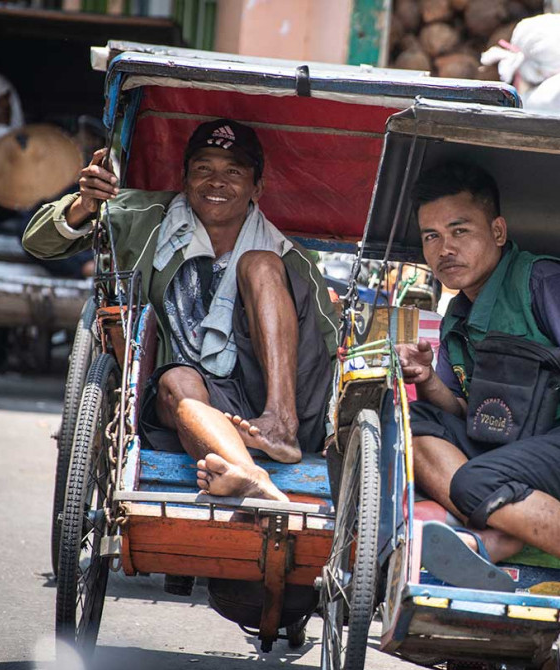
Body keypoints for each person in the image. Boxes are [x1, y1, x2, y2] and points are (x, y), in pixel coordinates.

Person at [24, 119, 340, 502]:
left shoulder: (290, 257)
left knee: (260, 263)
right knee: (175, 380)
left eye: (233, 171)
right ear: (185, 178)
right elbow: (37, 241)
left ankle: (279, 423)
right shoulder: (146, 218)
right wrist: (84, 204)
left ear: (257, 187)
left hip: (282, 397)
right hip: (199, 407)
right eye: (203, 168)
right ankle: (246, 472)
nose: (216, 181)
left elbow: (330, 345)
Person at [395, 162, 560, 590]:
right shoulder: (457, 315)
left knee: (475, 480)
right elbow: (464, 409)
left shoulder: (546, 282)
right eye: (431, 236)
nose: (444, 249)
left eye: (460, 231)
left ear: (497, 232)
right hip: (511, 445)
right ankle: (493, 533)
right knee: (411, 422)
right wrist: (426, 379)